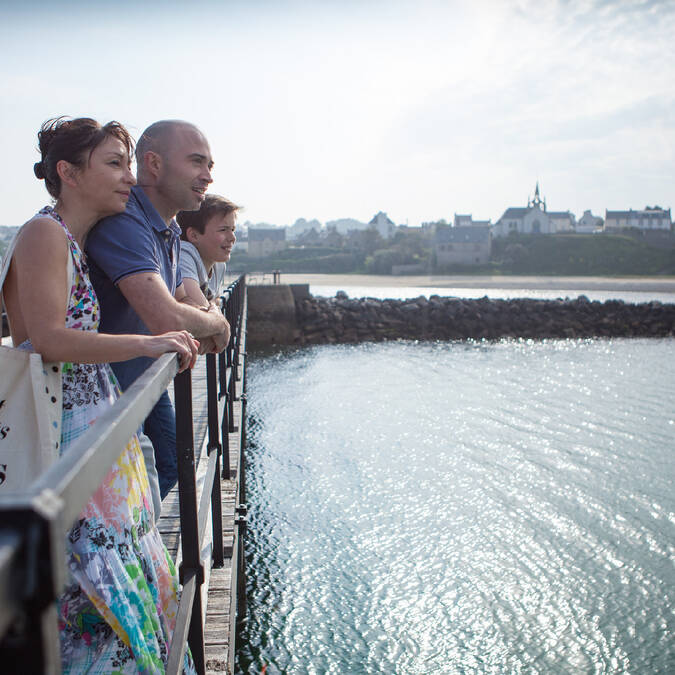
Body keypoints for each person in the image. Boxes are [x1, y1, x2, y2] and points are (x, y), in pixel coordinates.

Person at [1, 116, 198, 673]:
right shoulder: (44, 233)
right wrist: (150, 339)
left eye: (129, 164)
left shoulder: (70, 239)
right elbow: (47, 339)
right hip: (64, 431)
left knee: (112, 584)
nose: (129, 179)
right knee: (96, 589)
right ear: (68, 172)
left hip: (88, 429)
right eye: (114, 164)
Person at [86, 120, 230, 499]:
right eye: (197, 162)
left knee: (173, 462)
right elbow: (164, 315)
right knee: (147, 480)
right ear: (153, 163)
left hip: (136, 381)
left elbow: (177, 300)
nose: (207, 176)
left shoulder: (165, 227)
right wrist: (217, 323)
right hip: (102, 398)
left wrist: (202, 320)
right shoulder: (126, 220)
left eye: (211, 166)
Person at [176, 194, 240, 306]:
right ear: (194, 235)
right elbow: (200, 310)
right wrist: (213, 307)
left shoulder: (218, 266)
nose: (232, 238)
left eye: (233, 229)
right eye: (223, 230)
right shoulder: (183, 254)